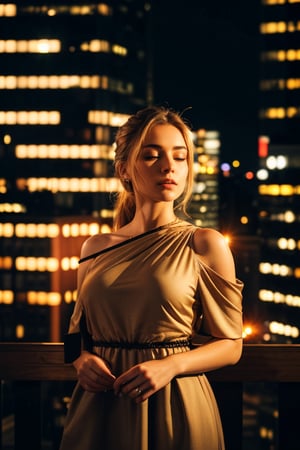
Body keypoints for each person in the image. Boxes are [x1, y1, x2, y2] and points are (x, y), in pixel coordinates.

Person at [59, 105, 243, 450]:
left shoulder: (205, 243)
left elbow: (231, 345)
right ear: (124, 170)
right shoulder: (94, 248)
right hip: (101, 403)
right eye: (151, 155)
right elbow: (75, 334)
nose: (168, 166)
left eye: (180, 156)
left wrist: (170, 366)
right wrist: (82, 361)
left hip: (175, 403)